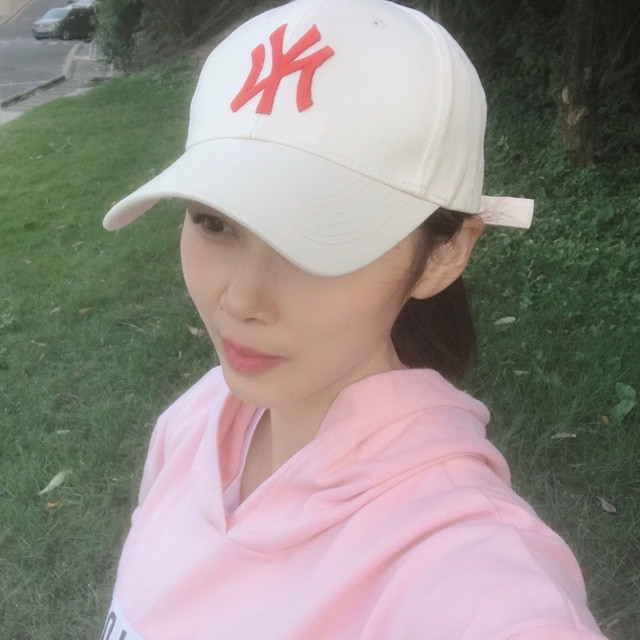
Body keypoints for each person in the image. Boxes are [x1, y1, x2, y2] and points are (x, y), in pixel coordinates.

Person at [100, 0, 608, 638]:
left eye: (313, 244)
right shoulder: (197, 420)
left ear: (443, 254)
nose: (240, 300)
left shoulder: (464, 572)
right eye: (214, 222)